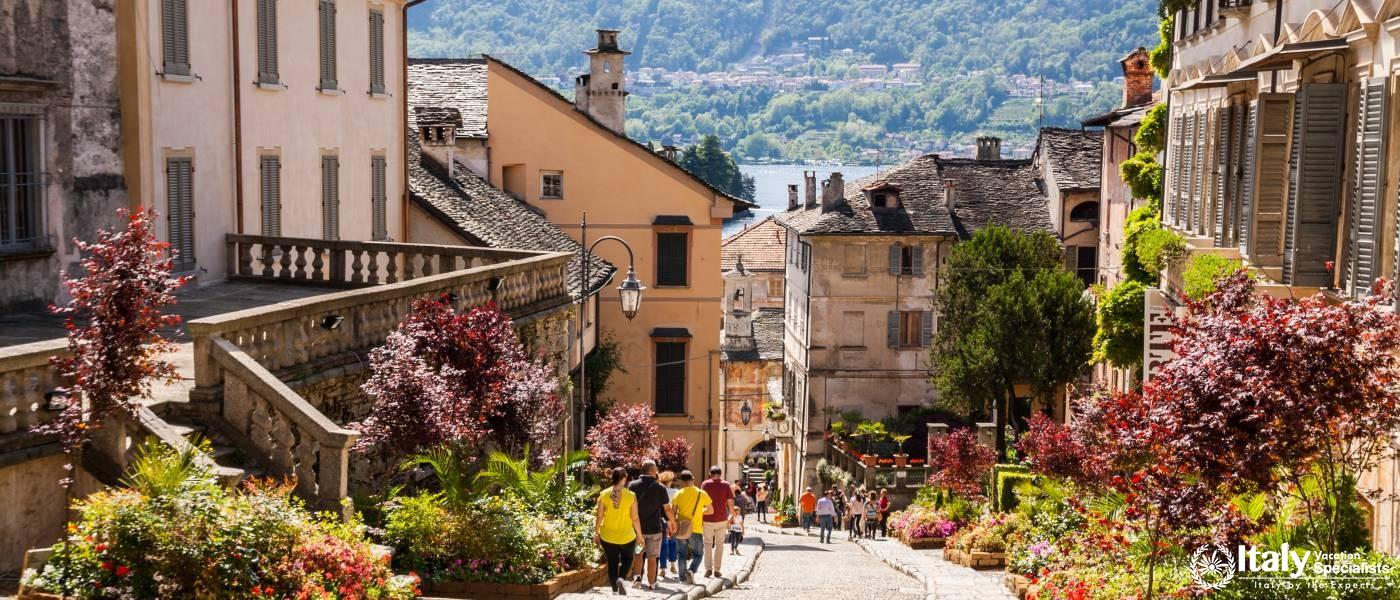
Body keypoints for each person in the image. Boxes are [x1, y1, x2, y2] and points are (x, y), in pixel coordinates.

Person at [596, 467, 644, 596]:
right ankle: (621, 578)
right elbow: (635, 518)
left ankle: (615, 591)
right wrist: (640, 536)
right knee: (628, 559)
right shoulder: (631, 496)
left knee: (612, 563)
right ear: (623, 479)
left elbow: (599, 516)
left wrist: (596, 532)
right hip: (627, 536)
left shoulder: (604, 494)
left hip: (608, 536)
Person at [627, 460, 673, 591]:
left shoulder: (632, 485)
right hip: (654, 531)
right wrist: (672, 522)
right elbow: (667, 509)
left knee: (638, 554)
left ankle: (637, 577)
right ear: (653, 471)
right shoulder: (660, 488)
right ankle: (652, 583)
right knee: (653, 557)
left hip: (638, 532)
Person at [671, 470, 713, 585]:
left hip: (682, 529)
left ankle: (683, 579)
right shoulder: (701, 493)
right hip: (696, 528)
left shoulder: (678, 494)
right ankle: (691, 570)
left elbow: (673, 513)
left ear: (683, 482)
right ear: (693, 479)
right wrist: (700, 511)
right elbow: (710, 510)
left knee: (682, 555)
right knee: (698, 554)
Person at [700, 465, 735, 578]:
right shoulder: (726, 484)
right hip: (722, 519)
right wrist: (732, 515)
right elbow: (730, 502)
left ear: (710, 474)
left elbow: (701, 501)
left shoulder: (705, 484)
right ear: (720, 474)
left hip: (708, 518)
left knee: (707, 544)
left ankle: (708, 569)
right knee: (720, 544)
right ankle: (717, 570)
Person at [657, 471, 680, 578]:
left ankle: (662, 568)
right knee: (673, 543)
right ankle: (673, 565)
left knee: (663, 545)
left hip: (662, 520)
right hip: (672, 520)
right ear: (669, 481)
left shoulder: (659, 491)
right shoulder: (675, 491)